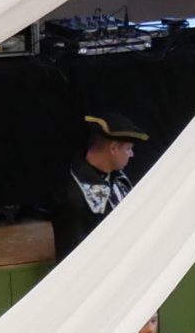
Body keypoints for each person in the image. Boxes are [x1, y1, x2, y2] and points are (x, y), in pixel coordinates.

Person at [55, 108, 145, 262]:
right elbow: (76, 257)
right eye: (128, 149)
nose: (132, 154)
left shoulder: (118, 179)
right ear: (113, 148)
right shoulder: (73, 195)